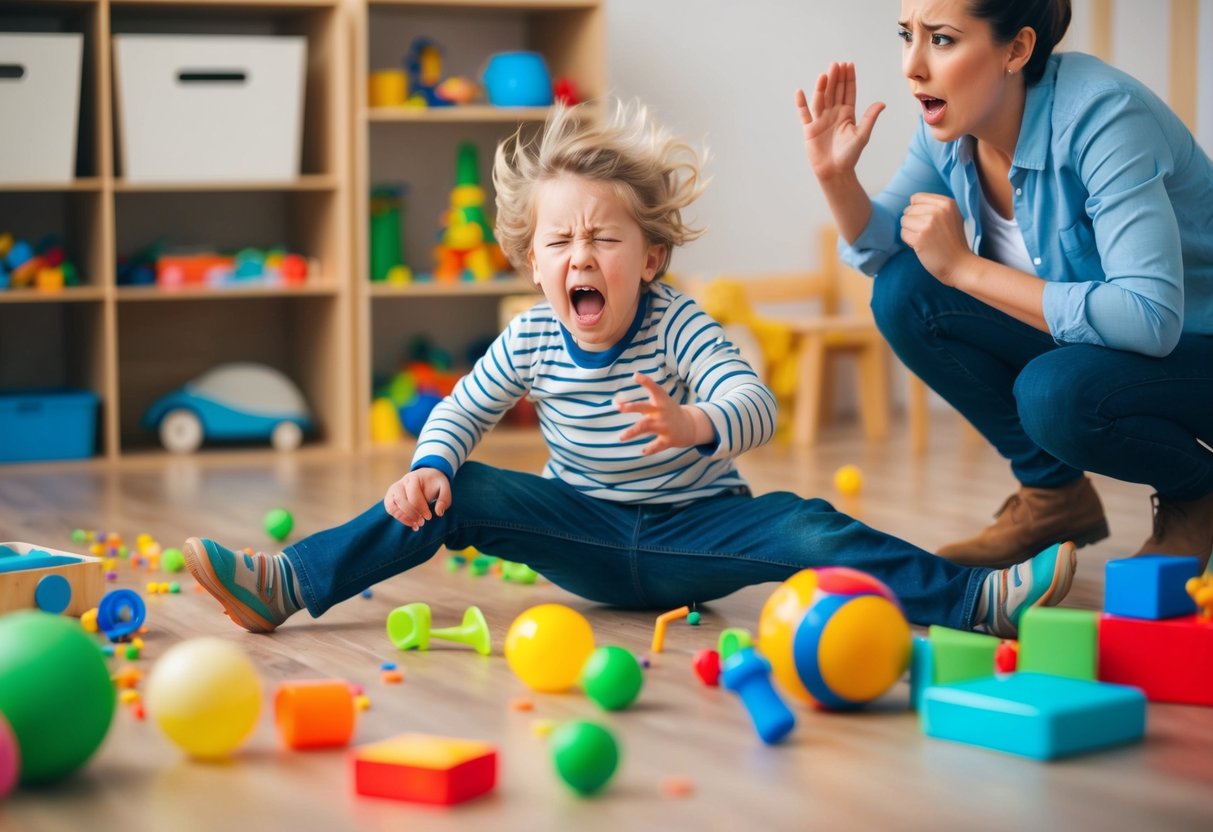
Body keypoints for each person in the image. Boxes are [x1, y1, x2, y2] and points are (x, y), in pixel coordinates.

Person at [183, 99, 1075, 639]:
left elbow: (751, 400)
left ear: (646, 259)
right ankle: (291, 583)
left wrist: (696, 424)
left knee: (807, 526)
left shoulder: (677, 320)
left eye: (603, 239)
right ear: (533, 265)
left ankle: (974, 601)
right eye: (560, 243)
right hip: (585, 539)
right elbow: (463, 406)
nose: (581, 256)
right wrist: (427, 465)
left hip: (700, 538)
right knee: (460, 490)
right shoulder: (533, 334)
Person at [796, 0, 1213, 569]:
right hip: (1113, 347)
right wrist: (836, 177)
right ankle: (1053, 497)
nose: (912, 66)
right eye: (906, 34)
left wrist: (966, 268)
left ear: (1016, 49)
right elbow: (885, 250)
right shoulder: (950, 127)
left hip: (1196, 347)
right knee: (904, 292)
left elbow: (1149, 318)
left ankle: (1198, 493)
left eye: (941, 39)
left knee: (1052, 391)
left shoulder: (1105, 116)